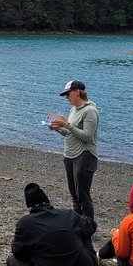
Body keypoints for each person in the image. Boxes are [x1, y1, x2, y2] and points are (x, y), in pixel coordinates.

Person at [6, 183, 99, 266]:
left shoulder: (26, 223)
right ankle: (86, 261)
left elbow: (18, 253)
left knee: (11, 260)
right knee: (84, 230)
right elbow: (91, 226)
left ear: (30, 206)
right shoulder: (68, 214)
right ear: (48, 202)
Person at [48, 79, 100, 227]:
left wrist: (67, 125)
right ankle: (78, 224)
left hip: (85, 155)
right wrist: (58, 128)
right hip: (70, 155)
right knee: (74, 194)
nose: (67, 98)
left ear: (77, 92)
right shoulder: (73, 110)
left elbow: (87, 136)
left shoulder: (90, 110)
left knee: (83, 195)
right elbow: (70, 133)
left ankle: (89, 227)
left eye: (68, 94)